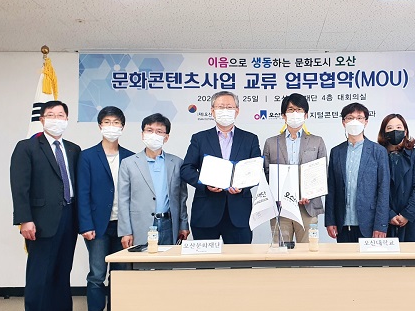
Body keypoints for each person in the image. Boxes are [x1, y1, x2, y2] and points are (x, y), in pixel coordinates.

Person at [10, 100, 86, 311]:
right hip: (40, 221)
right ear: (42, 120)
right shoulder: (27, 147)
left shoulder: (73, 149)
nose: (56, 119)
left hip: (69, 217)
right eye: (50, 115)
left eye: (60, 115)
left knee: (62, 272)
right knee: (40, 276)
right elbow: (20, 187)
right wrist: (24, 219)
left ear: (67, 119)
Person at [77, 106, 134, 311]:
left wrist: (131, 227)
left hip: (123, 226)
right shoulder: (87, 156)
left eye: (116, 122)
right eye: (107, 122)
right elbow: (82, 193)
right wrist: (85, 225)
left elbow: (134, 194)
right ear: (100, 126)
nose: (112, 126)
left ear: (123, 127)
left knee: (121, 274)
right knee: (97, 274)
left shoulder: (131, 156)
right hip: (97, 226)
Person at [181, 91, 261, 244]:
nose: (225, 111)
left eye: (229, 107)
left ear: (237, 111)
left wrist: (243, 186)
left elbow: (256, 170)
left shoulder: (250, 139)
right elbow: (186, 169)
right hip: (206, 212)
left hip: (239, 213)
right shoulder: (199, 138)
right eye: (220, 107)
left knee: (240, 258)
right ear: (212, 111)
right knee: (205, 258)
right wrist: (205, 184)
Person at [263, 94, 327, 243]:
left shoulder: (317, 141)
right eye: (291, 110)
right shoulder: (271, 143)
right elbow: (266, 174)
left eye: (299, 110)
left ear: (306, 115)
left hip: (308, 207)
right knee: (281, 251)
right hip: (280, 208)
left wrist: (310, 194)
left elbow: (322, 173)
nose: (295, 114)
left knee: (308, 252)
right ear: (283, 115)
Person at [118, 113, 189, 247]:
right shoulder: (129, 163)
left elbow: (182, 198)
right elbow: (123, 200)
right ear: (142, 134)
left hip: (169, 224)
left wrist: (184, 225)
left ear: (166, 137)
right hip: (140, 226)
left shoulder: (177, 163)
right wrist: (125, 231)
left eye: (159, 131)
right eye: (149, 130)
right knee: (142, 260)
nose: (154, 135)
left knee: (168, 260)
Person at [325, 103, 390, 243]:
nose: (355, 121)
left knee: (369, 259)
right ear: (343, 122)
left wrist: (381, 224)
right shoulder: (336, 152)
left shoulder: (378, 151)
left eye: (359, 118)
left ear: (366, 122)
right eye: (350, 117)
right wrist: (330, 220)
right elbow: (331, 189)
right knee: (345, 258)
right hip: (342, 223)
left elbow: (384, 190)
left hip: (370, 224)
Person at [377, 113, 415, 242]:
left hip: (414, 217)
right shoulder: (378, 155)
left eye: (399, 127)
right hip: (386, 219)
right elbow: (374, 188)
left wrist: (407, 214)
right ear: (384, 132)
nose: (394, 131)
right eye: (389, 128)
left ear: (405, 131)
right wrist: (389, 214)